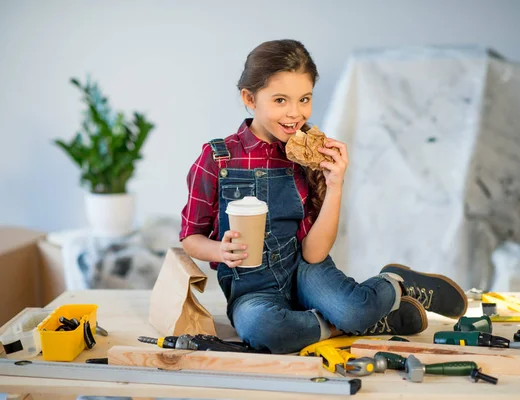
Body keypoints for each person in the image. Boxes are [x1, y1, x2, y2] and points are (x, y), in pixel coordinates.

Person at [180, 39, 468, 354]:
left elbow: (314, 254)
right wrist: (221, 251)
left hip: (305, 269)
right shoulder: (217, 158)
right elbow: (190, 237)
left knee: (353, 309)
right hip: (252, 288)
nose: (295, 113)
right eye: (280, 100)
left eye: (304, 99)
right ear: (250, 98)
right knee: (264, 330)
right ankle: (358, 322)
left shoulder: (310, 154)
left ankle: (394, 284)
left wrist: (336, 184)